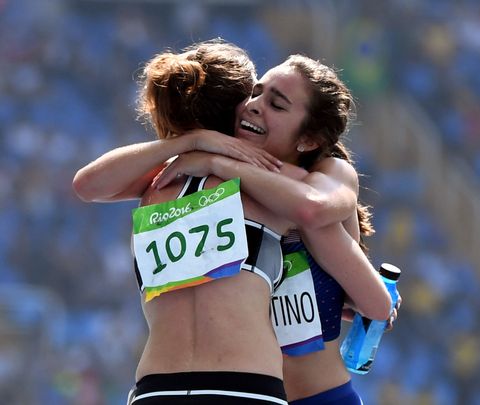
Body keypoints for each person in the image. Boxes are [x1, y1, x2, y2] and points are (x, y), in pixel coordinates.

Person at [74, 46, 393, 404]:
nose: (256, 105)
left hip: (295, 391)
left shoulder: (312, 183)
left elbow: (371, 296)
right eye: (255, 92)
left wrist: (213, 158)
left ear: (309, 139)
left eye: (277, 103)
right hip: (245, 386)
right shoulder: (186, 171)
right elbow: (87, 185)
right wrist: (196, 147)